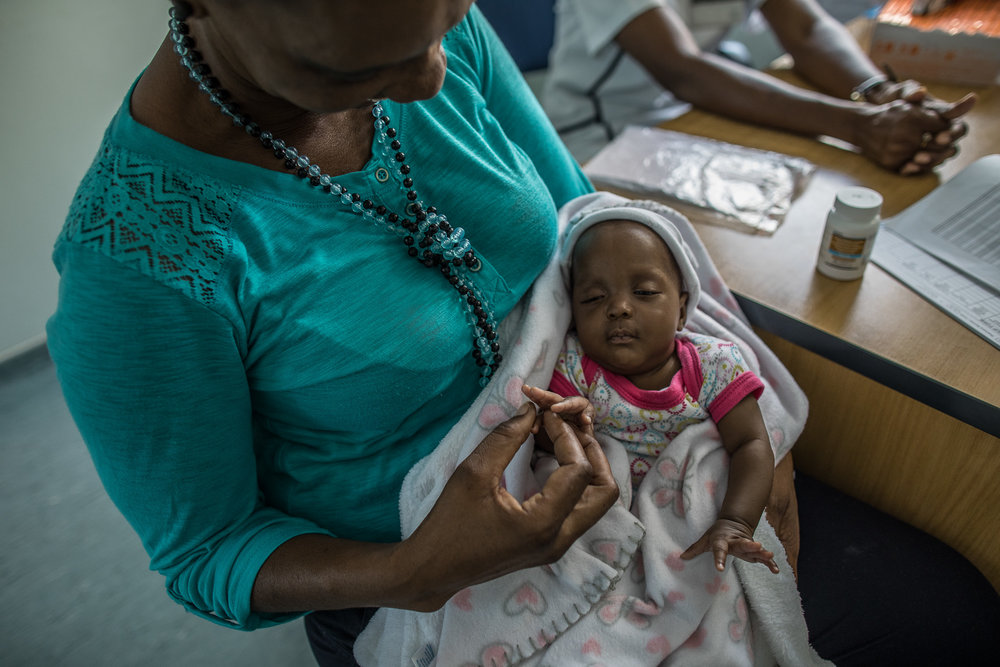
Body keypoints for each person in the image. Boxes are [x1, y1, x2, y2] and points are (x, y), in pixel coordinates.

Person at [46, 0, 998, 665]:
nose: (429, 79)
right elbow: (208, 550)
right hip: (419, 568)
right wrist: (417, 569)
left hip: (637, 448)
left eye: (446, 19)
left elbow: (583, 219)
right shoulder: (140, 264)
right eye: (356, 69)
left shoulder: (435, 36)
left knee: (948, 618)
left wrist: (739, 403)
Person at [533, 210, 781, 574]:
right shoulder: (574, 366)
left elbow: (752, 445)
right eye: (594, 298)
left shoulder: (713, 366)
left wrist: (736, 521)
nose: (618, 308)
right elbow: (547, 443)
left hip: (686, 516)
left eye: (644, 292)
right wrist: (560, 426)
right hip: (606, 518)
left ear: (681, 311)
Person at [543, 0, 977, 170]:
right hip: (599, 140)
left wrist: (880, 93)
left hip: (699, 116)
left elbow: (805, 29)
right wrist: (862, 126)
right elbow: (684, 70)